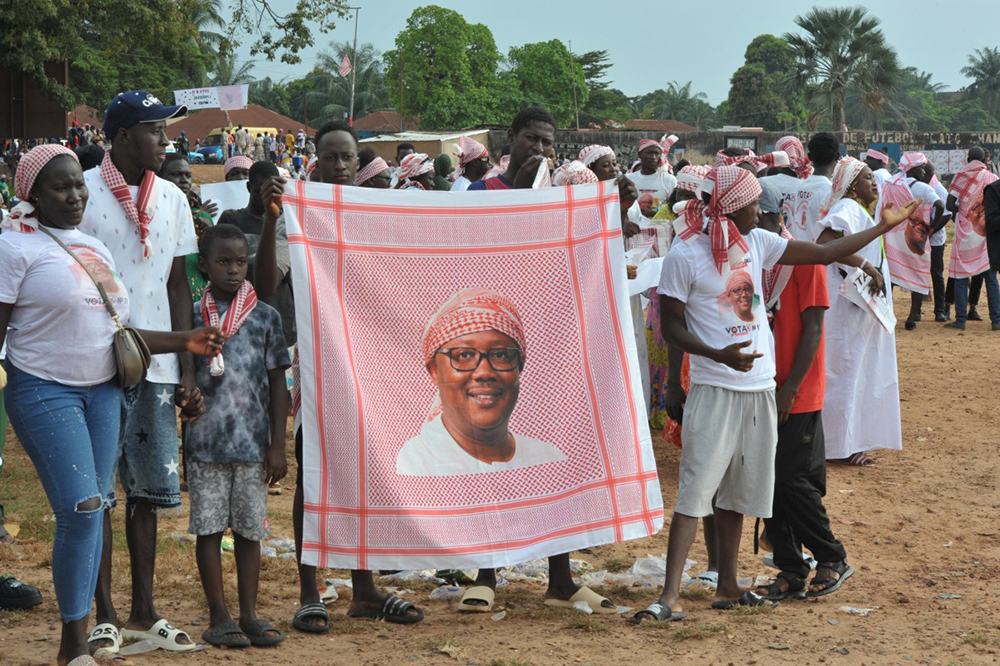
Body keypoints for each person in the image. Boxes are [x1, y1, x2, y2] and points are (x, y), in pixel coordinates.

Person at [632, 163, 915, 623]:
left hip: (759, 388)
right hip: (716, 386)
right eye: (752, 204)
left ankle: (727, 586)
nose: (760, 210)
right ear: (734, 207)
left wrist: (883, 226)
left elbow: (826, 255)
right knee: (695, 493)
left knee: (738, 495)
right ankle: (669, 596)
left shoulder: (757, 244)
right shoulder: (685, 256)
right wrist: (718, 355)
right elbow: (671, 328)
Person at [0, 144, 222, 666]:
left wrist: (184, 340)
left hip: (103, 391)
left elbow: (117, 331)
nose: (75, 195)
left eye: (79, 184)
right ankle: (73, 642)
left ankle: (80, 637)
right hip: (43, 390)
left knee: (96, 508)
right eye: (60, 186)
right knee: (80, 507)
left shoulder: (91, 248)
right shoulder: (14, 246)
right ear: (32, 193)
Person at [257, 121, 426, 629]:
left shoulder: (382, 215)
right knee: (315, 478)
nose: (337, 165)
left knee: (371, 474)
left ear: (359, 162)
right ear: (315, 160)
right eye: (328, 157)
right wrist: (271, 223)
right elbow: (265, 289)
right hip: (321, 367)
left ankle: (365, 589)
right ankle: (310, 590)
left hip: (378, 367)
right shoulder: (301, 217)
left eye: (346, 157)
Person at [462, 107, 620, 617]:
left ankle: (560, 577)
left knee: (552, 458)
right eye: (533, 140)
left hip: (552, 347)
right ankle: (487, 574)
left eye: (549, 144)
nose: (541, 151)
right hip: (496, 347)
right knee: (490, 457)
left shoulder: (563, 200)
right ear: (511, 139)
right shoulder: (481, 195)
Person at [78, 90, 202, 654]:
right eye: (155, 129)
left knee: (147, 493)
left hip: (157, 365)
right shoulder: (83, 192)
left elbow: (178, 284)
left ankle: (143, 609)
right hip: (96, 365)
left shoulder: (173, 196)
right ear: (124, 135)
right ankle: (102, 612)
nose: (165, 139)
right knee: (100, 490)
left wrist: (188, 371)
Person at [185, 223, 289, 648]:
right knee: (208, 530)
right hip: (205, 446)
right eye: (223, 262)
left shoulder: (266, 316)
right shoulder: (190, 316)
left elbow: (279, 383)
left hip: (252, 447)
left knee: (250, 532)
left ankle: (248, 613)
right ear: (204, 265)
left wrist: (278, 444)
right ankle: (218, 614)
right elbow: (183, 375)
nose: (233, 270)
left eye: (240, 262)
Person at [753, 180, 851, 601]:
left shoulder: (803, 260)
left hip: (796, 386)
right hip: (760, 383)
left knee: (793, 478)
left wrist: (790, 389)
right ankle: (790, 567)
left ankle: (831, 556)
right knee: (767, 481)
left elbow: (813, 329)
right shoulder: (754, 257)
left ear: (770, 217)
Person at [396, 288, 566, 476]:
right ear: (434, 371)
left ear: (519, 366)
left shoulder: (548, 460)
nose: (485, 372)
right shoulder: (413, 465)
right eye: (464, 355)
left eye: (501, 355)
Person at [817, 158, 906, 467]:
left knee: (858, 373)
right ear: (852, 185)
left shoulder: (861, 211)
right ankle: (839, 446)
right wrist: (864, 265)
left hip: (861, 307)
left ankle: (849, 441)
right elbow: (826, 242)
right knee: (846, 372)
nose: (875, 183)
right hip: (847, 307)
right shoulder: (847, 209)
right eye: (868, 178)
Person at [218, 161, 296, 346]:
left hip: (280, 319)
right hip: (239, 319)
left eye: (271, 191)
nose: (265, 198)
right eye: (260, 191)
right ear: (248, 187)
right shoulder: (230, 219)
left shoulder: (288, 223)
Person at [880, 153, 943, 330]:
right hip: (916, 238)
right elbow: (941, 206)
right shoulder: (923, 188)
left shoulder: (890, 185)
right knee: (917, 273)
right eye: (922, 168)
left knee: (891, 275)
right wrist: (930, 228)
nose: (924, 171)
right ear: (914, 169)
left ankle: (886, 313)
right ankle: (912, 318)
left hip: (893, 236)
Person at [945, 147, 1000, 331]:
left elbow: (949, 204)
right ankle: (996, 320)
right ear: (985, 160)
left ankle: (960, 320)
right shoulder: (992, 178)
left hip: (964, 232)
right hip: (985, 232)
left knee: (960, 275)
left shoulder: (960, 176)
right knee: (990, 276)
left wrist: (961, 216)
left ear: (968, 159)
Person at [158, 153, 217, 300]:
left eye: (188, 176)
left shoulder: (202, 218)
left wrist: (208, 239)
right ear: (159, 177)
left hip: (199, 301)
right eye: (176, 174)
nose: (184, 181)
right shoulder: (150, 217)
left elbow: (214, 269)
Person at [791, 133, 839, 242]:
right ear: (837, 156)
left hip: (798, 254)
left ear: (810, 157)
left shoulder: (799, 187)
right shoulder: (832, 193)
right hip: (819, 255)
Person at [759, 136, 812, 231]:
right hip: (800, 244)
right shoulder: (808, 187)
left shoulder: (762, 183)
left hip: (768, 243)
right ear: (800, 154)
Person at [923, 162, 951, 321]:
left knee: (936, 273)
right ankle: (918, 309)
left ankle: (940, 310)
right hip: (921, 237)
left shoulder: (939, 189)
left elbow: (947, 214)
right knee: (919, 272)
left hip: (935, 240)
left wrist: (931, 230)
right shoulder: (921, 186)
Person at [626, 137, 677, 217]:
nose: (653, 157)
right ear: (640, 155)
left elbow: (675, 210)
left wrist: (653, 214)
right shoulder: (628, 179)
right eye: (649, 153)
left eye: (656, 153)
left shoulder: (669, 180)